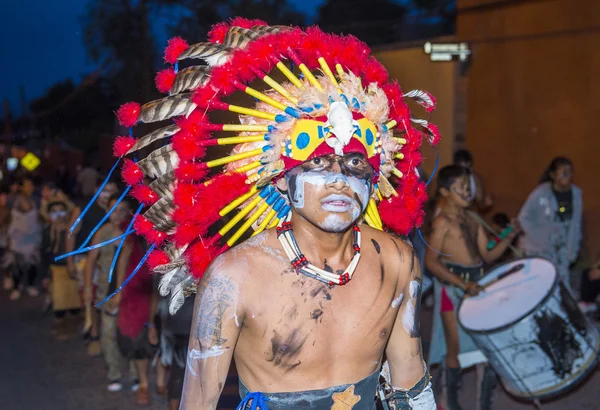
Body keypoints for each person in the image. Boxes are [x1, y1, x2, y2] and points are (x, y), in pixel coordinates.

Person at [104, 20, 446, 410]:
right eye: (318, 163)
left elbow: (409, 379)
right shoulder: (235, 277)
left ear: (375, 175)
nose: (339, 180)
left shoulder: (398, 261)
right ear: (282, 179)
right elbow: (198, 401)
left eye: (355, 164)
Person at [425, 165, 519, 410]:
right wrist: (462, 284)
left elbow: (487, 255)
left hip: (474, 286)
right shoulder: (442, 222)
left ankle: (482, 404)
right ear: (445, 192)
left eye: (469, 187)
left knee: (487, 347)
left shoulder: (474, 218)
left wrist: (509, 236)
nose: (468, 192)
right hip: (451, 290)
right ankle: (449, 401)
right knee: (454, 348)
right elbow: (431, 262)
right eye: (462, 187)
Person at [83, 193, 137, 391]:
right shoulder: (102, 233)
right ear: (107, 211)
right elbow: (90, 261)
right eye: (113, 210)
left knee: (129, 333)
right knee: (108, 334)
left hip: (128, 294)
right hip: (106, 292)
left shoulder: (132, 233)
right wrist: (88, 288)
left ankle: (134, 374)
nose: (117, 214)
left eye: (121, 210)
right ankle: (114, 373)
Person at [67, 179, 118, 352]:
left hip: (109, 260)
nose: (107, 195)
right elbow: (71, 233)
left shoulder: (118, 209)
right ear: (97, 189)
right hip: (84, 259)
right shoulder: (83, 208)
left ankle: (107, 333)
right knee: (90, 298)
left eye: (111, 191)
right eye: (104, 191)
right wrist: (69, 261)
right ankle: (94, 333)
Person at [518, 157, 582, 291]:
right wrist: (540, 240)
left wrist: (572, 251)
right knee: (541, 286)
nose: (567, 176)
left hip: (561, 251)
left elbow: (576, 225)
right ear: (553, 175)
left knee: (562, 287)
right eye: (563, 172)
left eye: (570, 172)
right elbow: (523, 218)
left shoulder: (576, 195)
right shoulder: (540, 194)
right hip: (540, 250)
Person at [114, 210, 159, 405]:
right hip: (138, 291)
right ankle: (144, 384)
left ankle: (162, 380)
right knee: (142, 339)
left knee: (167, 339)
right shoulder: (135, 233)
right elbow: (124, 259)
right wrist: (119, 291)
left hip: (165, 290)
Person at [42, 196, 82, 340]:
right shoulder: (48, 231)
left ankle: (72, 328)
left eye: (61, 210)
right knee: (59, 303)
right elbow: (43, 255)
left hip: (71, 269)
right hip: (56, 270)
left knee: (74, 303)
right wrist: (44, 276)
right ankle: (60, 329)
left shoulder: (72, 231)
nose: (58, 214)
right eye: (54, 211)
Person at [7, 176, 42, 300]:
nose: (29, 188)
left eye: (31, 185)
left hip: (32, 236)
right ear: (21, 187)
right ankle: (16, 287)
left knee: (33, 263)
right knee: (17, 264)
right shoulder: (12, 199)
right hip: (18, 237)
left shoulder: (37, 200)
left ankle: (30, 285)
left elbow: (40, 216)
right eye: (26, 185)